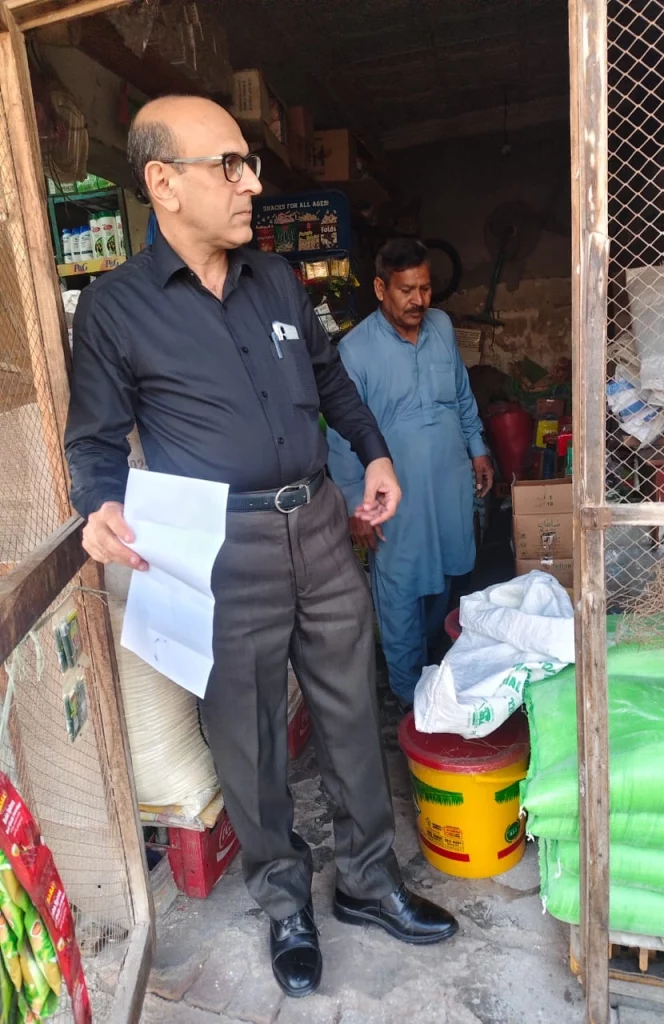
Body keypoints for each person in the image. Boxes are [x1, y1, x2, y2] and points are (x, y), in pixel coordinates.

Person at [65, 96, 457, 1001]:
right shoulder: (117, 309)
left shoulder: (275, 280)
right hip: (218, 546)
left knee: (350, 707)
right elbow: (95, 440)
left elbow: (330, 382)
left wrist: (376, 454)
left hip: (318, 521)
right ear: (164, 183)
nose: (251, 184)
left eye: (249, 164)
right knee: (245, 738)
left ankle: (368, 881)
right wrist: (98, 506)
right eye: (230, 165)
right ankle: (285, 900)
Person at [327, 239, 494, 710]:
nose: (418, 300)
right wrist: (354, 505)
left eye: (425, 288)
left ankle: (438, 678)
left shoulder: (441, 326)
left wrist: (478, 449)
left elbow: (461, 395)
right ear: (381, 289)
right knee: (400, 591)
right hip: (394, 499)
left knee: (446, 579)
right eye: (406, 290)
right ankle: (409, 699)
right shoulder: (355, 351)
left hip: (448, 486)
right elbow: (341, 435)